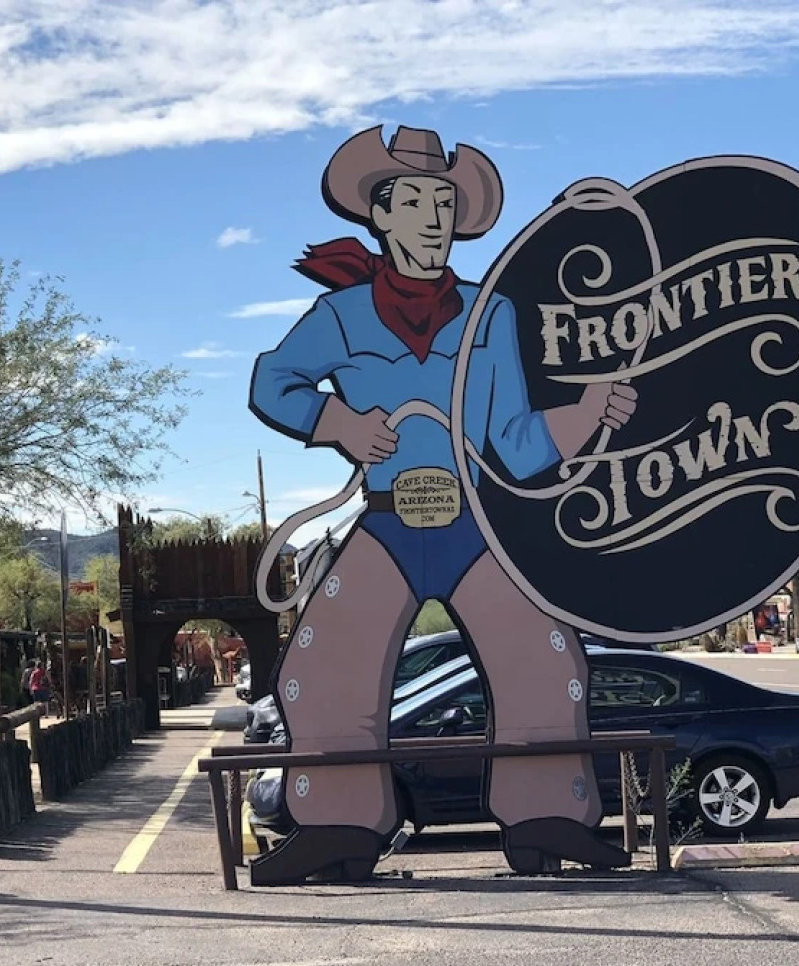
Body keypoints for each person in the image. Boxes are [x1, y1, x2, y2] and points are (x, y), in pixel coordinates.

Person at [247, 125, 639, 884]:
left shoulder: (490, 314)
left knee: (543, 657)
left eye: (444, 202)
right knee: (326, 664)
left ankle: (545, 819)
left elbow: (516, 444)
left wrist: (587, 412)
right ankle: (337, 829)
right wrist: (341, 424)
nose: (431, 217)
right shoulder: (342, 316)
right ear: (380, 216)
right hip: (390, 517)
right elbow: (272, 383)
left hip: (475, 519)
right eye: (413, 201)